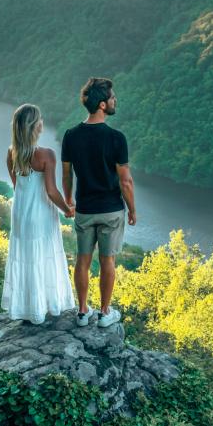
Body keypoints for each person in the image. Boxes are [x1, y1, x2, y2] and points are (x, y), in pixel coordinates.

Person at [61, 77, 136, 328]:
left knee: (82, 260)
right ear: (102, 105)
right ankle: (104, 313)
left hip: (84, 209)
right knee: (108, 261)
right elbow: (126, 181)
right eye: (113, 98)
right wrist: (133, 210)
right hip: (111, 209)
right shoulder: (117, 138)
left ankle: (82, 312)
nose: (116, 101)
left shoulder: (71, 136)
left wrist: (69, 200)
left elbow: (67, 174)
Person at [1, 104, 76, 325]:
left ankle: (28, 308)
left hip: (21, 212)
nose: (43, 122)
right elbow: (51, 191)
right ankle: (45, 305)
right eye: (40, 119)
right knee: (42, 255)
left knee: (26, 257)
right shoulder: (46, 155)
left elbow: (18, 187)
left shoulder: (11, 153)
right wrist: (67, 210)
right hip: (41, 213)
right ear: (35, 126)